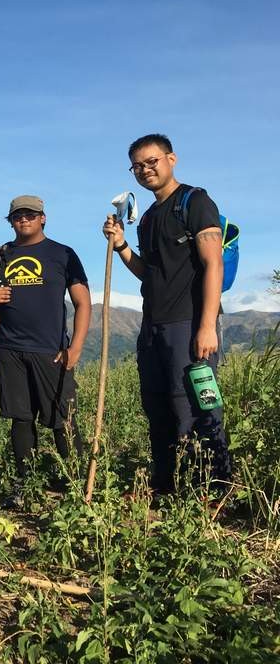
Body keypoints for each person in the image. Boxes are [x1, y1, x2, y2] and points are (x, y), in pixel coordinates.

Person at [102, 134, 232, 494]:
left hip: (188, 323)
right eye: (137, 166)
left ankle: (211, 489)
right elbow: (150, 273)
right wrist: (122, 246)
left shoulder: (194, 201)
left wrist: (207, 326)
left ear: (171, 159)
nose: (145, 170)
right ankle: (167, 483)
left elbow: (213, 264)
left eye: (152, 161)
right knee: (157, 407)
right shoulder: (149, 218)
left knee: (194, 406)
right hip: (153, 325)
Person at [0, 196, 91, 508]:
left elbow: (83, 302)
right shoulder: (1, 255)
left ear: (43, 218)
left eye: (30, 215)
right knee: (20, 420)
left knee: (62, 420)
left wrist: (75, 347)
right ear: (10, 221)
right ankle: (25, 484)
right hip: (10, 349)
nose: (23, 220)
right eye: (17, 216)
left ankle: (77, 486)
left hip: (50, 351)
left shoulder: (62, 254)